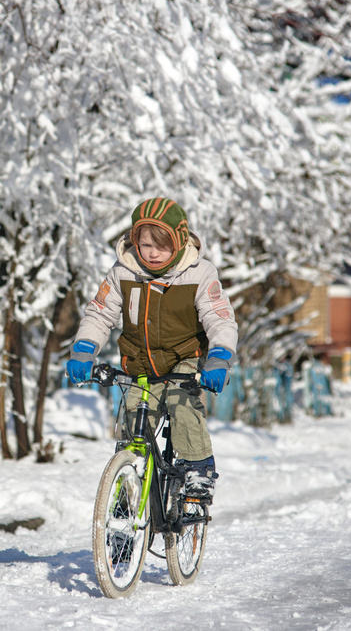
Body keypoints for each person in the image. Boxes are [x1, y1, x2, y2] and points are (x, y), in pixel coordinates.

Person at [65, 197, 238, 504]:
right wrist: (83, 349)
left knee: (180, 403)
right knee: (132, 424)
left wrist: (220, 357)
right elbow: (101, 312)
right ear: (135, 242)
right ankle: (125, 498)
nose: (153, 253)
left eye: (162, 245)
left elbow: (219, 318)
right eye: (145, 244)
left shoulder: (199, 273)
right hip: (140, 362)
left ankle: (199, 468)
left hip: (183, 360)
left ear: (179, 241)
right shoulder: (123, 272)